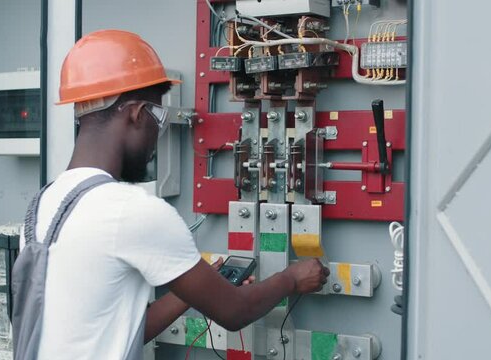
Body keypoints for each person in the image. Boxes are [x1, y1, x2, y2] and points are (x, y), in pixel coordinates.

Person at [20, 29, 329, 360]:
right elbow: (234, 312)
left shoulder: (45, 204)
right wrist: (292, 279)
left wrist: (192, 287)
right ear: (137, 114)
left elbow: (113, 330)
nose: (158, 135)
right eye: (160, 118)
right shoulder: (131, 210)